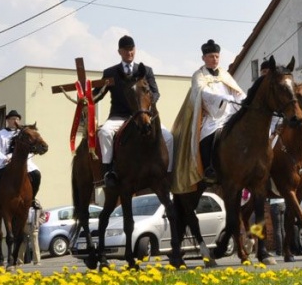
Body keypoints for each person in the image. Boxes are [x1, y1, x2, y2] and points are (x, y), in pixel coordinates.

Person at [95, 35, 174, 188]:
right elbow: (98, 93)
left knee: (169, 137)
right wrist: (86, 99)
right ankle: (108, 171)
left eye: (132, 50)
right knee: (104, 132)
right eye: (126, 51)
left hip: (143, 116)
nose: (129, 53)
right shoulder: (110, 72)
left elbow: (156, 93)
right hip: (119, 116)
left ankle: (168, 174)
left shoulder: (146, 71)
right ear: (119, 52)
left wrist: (146, 107)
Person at [172, 39, 245, 193]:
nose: (215, 59)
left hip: (230, 113)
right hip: (211, 116)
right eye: (211, 56)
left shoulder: (225, 74)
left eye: (217, 56)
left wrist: (243, 101)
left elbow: (237, 92)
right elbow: (202, 93)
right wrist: (222, 98)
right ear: (204, 58)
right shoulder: (198, 75)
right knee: (206, 135)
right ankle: (209, 168)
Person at [0, 110, 41, 215]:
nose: (15, 121)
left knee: (36, 174)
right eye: (13, 119)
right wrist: (5, 158)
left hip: (20, 162)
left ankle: (32, 199)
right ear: (8, 120)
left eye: (17, 119)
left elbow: (27, 146)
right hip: (4, 162)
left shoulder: (23, 133)